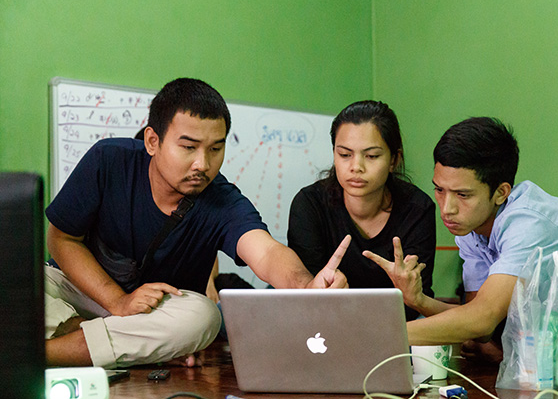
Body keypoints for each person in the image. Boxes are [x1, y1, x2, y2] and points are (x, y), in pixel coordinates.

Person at [45, 78, 349, 369]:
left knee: (203, 317)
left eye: (215, 149)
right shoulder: (108, 161)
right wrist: (118, 301)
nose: (203, 164)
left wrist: (306, 286)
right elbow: (62, 240)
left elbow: (266, 252)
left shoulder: (222, 200)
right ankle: (109, 342)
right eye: (189, 147)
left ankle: (37, 354)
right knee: (14, 277)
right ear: (153, 141)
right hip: (76, 290)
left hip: (152, 314)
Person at [365, 117, 558, 378]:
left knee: (531, 339)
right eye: (439, 190)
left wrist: (377, 336)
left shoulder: (528, 222)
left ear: (501, 192)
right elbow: (480, 323)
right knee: (514, 334)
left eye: (463, 195)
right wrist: (418, 300)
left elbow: (481, 320)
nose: (446, 209)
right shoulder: (471, 228)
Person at [288, 100, 436, 321]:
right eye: (345, 155)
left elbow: (415, 302)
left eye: (372, 156)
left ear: (394, 160)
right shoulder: (309, 204)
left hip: (395, 323)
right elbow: (306, 294)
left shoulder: (417, 209)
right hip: (323, 321)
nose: (356, 167)